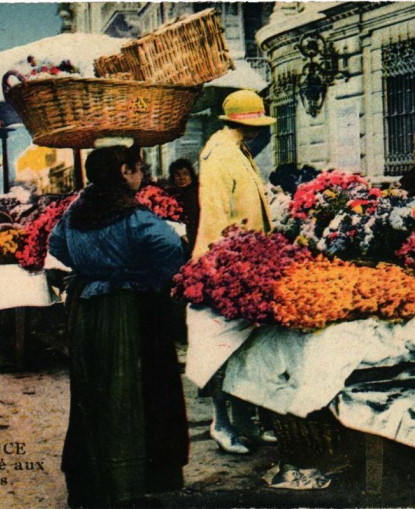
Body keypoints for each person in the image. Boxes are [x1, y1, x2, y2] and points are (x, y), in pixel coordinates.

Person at [48, 146, 188, 508]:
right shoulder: (132, 214)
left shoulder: (75, 211)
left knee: (91, 392)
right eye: (138, 168)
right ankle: (130, 485)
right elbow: (170, 246)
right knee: (129, 388)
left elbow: (58, 246)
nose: (141, 175)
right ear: (124, 172)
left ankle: (91, 482)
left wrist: (90, 266)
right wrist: (143, 276)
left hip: (84, 310)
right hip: (124, 308)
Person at [193, 89, 277, 455]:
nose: (259, 131)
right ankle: (220, 422)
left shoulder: (238, 149)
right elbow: (214, 215)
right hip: (225, 269)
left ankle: (243, 420)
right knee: (220, 350)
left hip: (247, 262)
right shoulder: (220, 153)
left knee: (245, 348)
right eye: (256, 123)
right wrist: (225, 268)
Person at [167, 158, 200, 255]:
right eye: (177, 175)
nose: (182, 178)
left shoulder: (198, 193)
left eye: (185, 174)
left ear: (191, 176)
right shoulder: (171, 196)